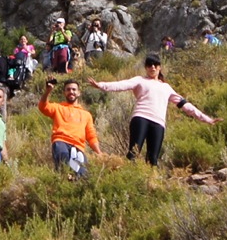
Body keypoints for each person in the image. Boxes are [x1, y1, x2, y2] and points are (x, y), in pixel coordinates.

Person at [89, 56, 220, 166]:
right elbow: (120, 85)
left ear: (159, 67)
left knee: (153, 158)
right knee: (133, 153)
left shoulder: (166, 87)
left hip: (158, 123)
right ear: (146, 68)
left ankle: (149, 185)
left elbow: (185, 105)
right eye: (149, 65)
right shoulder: (139, 80)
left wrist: (207, 119)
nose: (152, 67)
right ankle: (127, 178)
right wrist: (101, 85)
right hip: (141, 117)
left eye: (155, 65)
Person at [39, 79, 101, 179]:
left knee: (83, 175)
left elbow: (91, 136)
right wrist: (48, 91)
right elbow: (43, 107)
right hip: (61, 142)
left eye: (74, 89)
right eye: (68, 89)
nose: (71, 91)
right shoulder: (58, 108)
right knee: (64, 167)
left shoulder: (86, 115)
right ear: (64, 93)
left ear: (79, 93)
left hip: (78, 147)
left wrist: (99, 153)